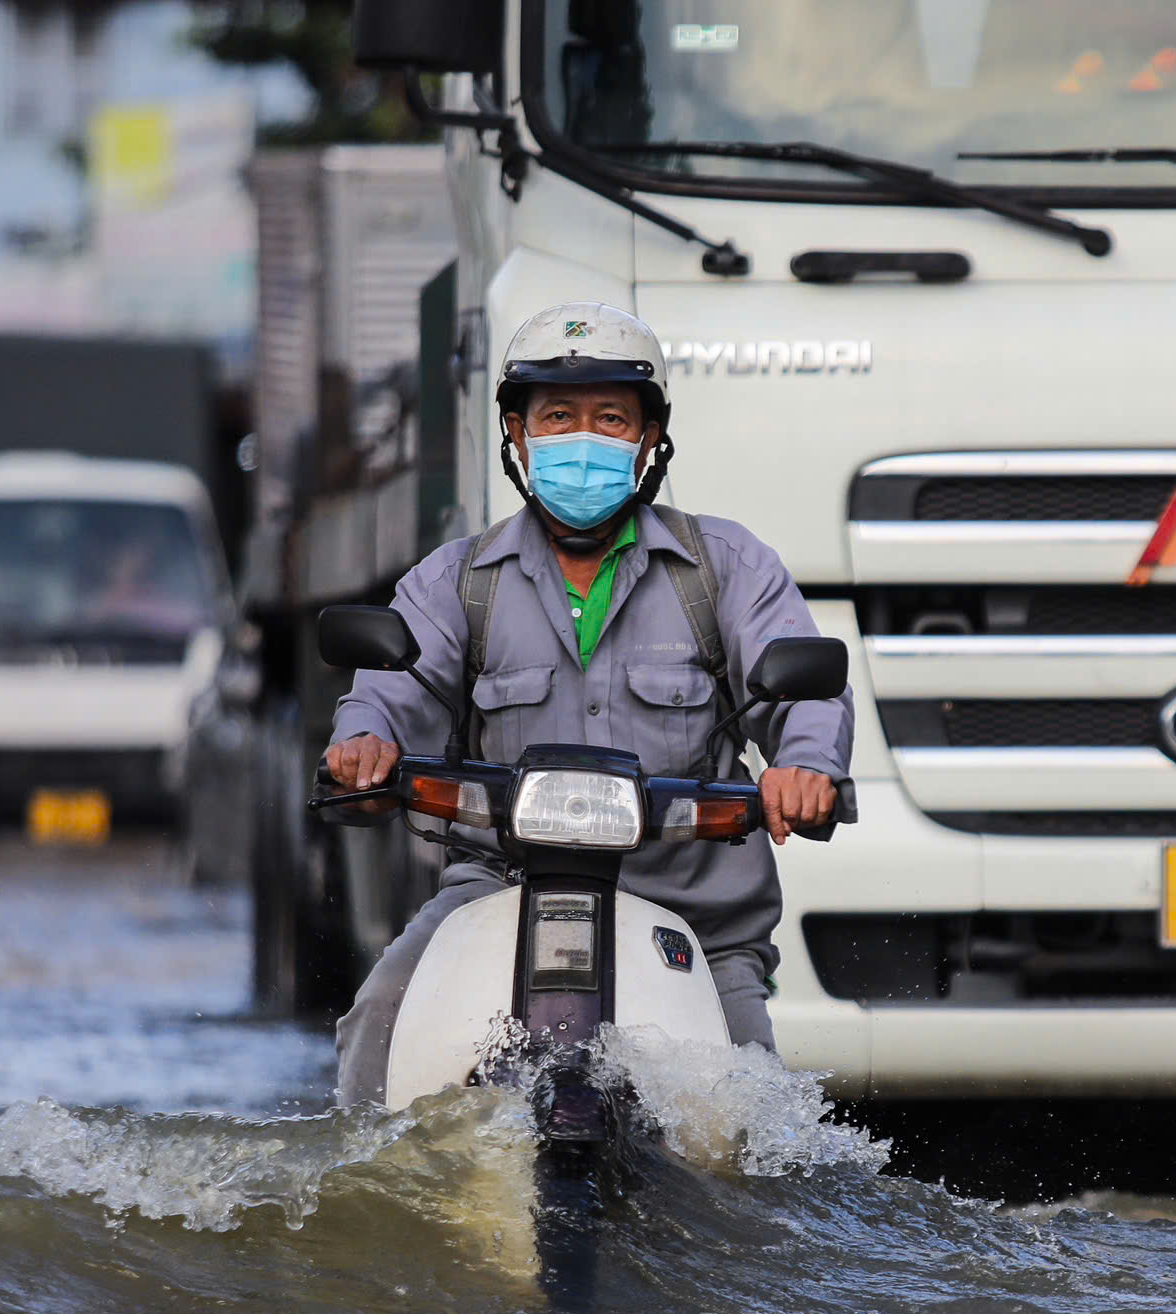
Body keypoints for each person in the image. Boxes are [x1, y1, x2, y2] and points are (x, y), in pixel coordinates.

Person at [325, 302, 852, 1106]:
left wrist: (805, 767)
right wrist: (365, 742)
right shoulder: (457, 582)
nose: (583, 437)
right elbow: (394, 689)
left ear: (648, 440)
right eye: (558, 417)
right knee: (379, 1018)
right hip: (495, 893)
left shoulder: (725, 568)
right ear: (516, 433)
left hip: (696, 915)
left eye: (610, 418)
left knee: (752, 1114)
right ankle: (366, 1214)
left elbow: (803, 688)